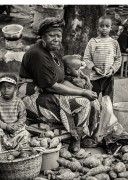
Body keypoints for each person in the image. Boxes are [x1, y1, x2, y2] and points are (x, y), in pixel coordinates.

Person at [18, 17, 100, 153]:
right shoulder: (37, 54)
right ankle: (75, 140)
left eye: (59, 35)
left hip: (48, 90)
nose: (56, 39)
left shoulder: (54, 50)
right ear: (42, 37)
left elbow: (61, 79)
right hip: (32, 96)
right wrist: (81, 93)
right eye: (51, 35)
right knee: (82, 102)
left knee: (93, 101)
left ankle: (86, 136)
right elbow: (51, 86)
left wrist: (82, 89)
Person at [0, 74, 30, 173]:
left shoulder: (19, 102)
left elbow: (23, 117)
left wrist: (16, 125)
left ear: (15, 88)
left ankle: (22, 157)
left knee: (25, 134)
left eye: (9, 87)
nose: (6, 90)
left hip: (14, 130)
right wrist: (5, 126)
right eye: (3, 87)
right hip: (2, 130)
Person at [83, 16, 122, 103]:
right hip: (95, 77)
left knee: (107, 101)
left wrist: (112, 70)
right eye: (102, 26)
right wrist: (94, 68)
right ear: (98, 27)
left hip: (108, 77)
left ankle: (107, 116)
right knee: (93, 100)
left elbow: (118, 59)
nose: (104, 28)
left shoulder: (114, 43)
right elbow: (86, 58)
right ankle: (93, 115)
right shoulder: (92, 42)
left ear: (111, 28)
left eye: (107, 26)